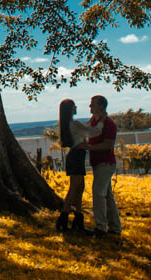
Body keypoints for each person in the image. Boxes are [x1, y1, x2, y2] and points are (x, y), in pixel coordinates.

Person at [56, 98, 102, 233]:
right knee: (75, 188)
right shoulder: (75, 123)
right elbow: (93, 131)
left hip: (76, 156)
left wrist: (93, 119)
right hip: (76, 156)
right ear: (70, 109)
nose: (76, 108)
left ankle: (77, 217)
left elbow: (85, 128)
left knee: (80, 187)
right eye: (74, 106)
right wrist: (102, 121)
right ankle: (63, 218)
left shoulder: (69, 124)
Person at [86, 94, 122, 236]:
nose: (90, 106)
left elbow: (108, 145)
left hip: (105, 163)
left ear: (101, 106)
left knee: (98, 193)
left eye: (93, 103)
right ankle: (115, 227)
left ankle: (101, 226)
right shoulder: (94, 121)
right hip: (98, 163)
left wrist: (88, 147)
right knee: (107, 196)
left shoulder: (109, 124)